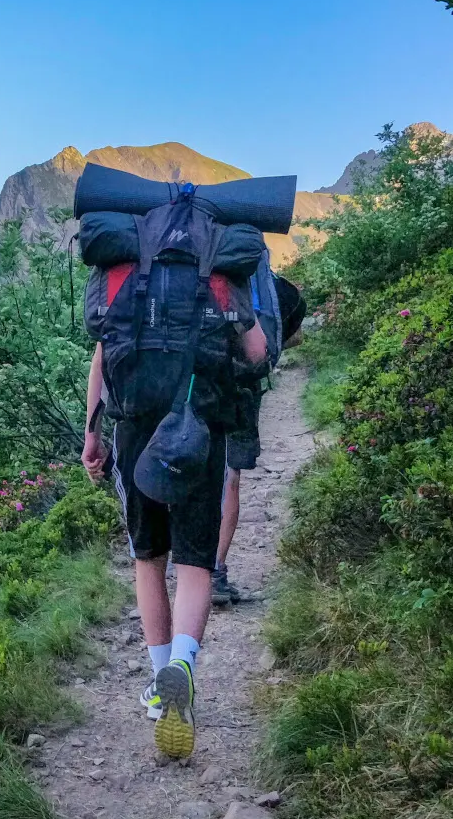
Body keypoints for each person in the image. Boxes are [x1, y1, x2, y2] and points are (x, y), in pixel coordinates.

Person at [82, 270, 268, 759]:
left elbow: (102, 356)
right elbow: (257, 352)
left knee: (148, 559)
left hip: (136, 430)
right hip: (200, 429)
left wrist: (91, 436)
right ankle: (183, 667)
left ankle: (159, 676)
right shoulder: (219, 273)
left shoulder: (122, 273)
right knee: (195, 563)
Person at [214, 274, 306, 604]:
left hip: (191, 373)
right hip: (240, 382)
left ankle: (185, 561)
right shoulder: (248, 266)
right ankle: (215, 570)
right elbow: (281, 336)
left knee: (187, 462)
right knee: (229, 475)